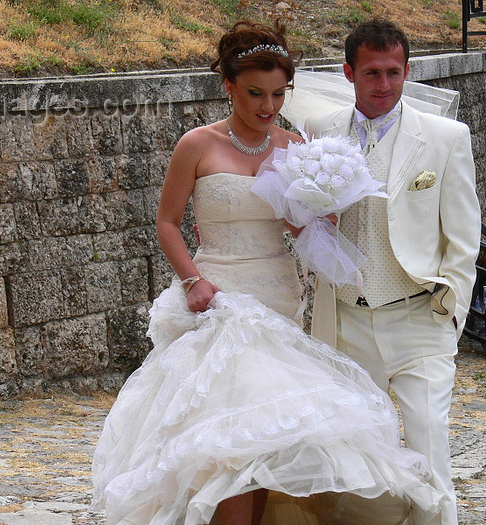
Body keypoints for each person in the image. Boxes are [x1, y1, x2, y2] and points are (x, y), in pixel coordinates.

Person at [92, 20, 442, 525]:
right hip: (218, 302)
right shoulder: (197, 144)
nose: (267, 107)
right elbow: (167, 222)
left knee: (268, 442)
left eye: (279, 94)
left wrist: (318, 216)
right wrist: (193, 280)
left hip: (279, 295)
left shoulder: (295, 145)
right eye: (255, 93)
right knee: (231, 435)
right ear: (228, 85)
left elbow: (301, 232)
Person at [305, 19, 480, 525]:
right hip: (345, 321)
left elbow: (464, 239)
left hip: (420, 319)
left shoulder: (446, 138)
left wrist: (450, 316)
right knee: (363, 460)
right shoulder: (319, 133)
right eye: (371, 73)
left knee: (430, 451)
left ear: (407, 72)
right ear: (348, 73)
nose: (383, 85)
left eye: (393, 73)